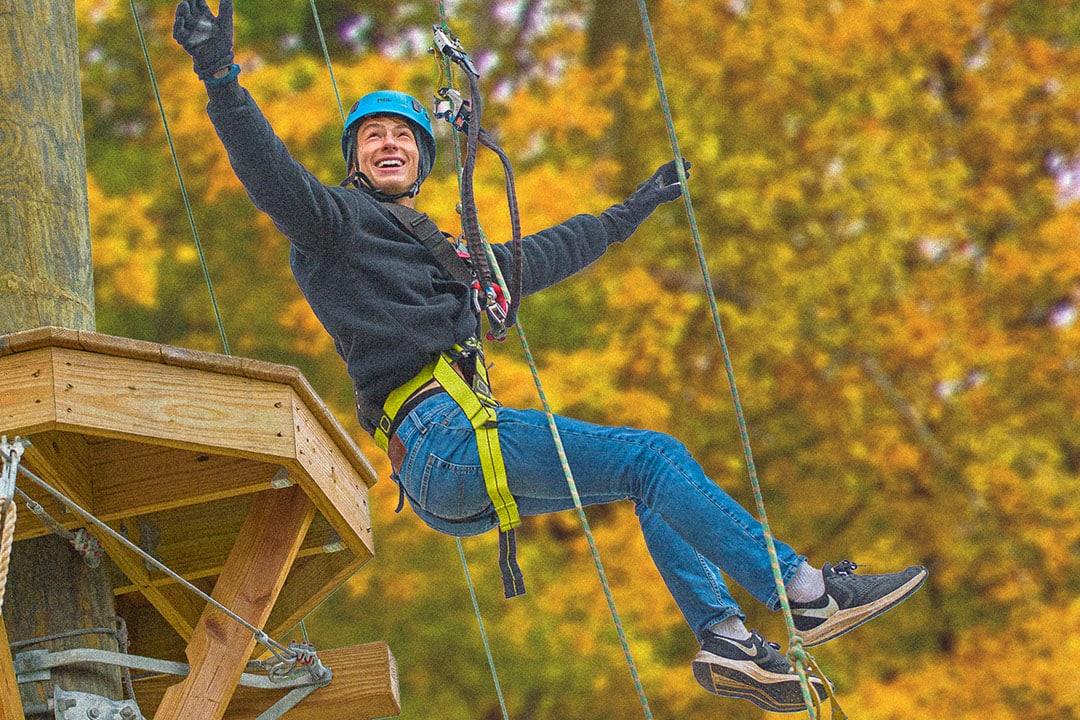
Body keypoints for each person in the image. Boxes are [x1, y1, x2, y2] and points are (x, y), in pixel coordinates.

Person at [173, 0, 928, 712]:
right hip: (443, 440)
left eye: (403, 135)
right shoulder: (335, 224)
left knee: (654, 485)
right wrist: (220, 79)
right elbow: (268, 171)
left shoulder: (448, 258)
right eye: (372, 136)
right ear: (355, 161)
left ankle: (728, 643)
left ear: (425, 160)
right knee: (654, 458)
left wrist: (628, 214)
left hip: (450, 460)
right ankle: (803, 592)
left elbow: (541, 255)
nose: (390, 142)